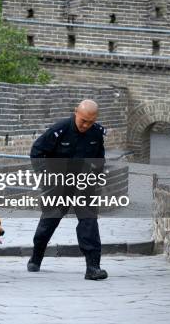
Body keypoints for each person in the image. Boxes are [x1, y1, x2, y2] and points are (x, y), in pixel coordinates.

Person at [26, 99, 108, 280]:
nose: (86, 125)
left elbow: (99, 158)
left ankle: (93, 267)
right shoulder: (60, 129)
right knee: (48, 224)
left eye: (91, 122)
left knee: (89, 222)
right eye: (83, 120)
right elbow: (37, 152)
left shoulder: (96, 133)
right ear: (76, 112)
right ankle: (36, 257)